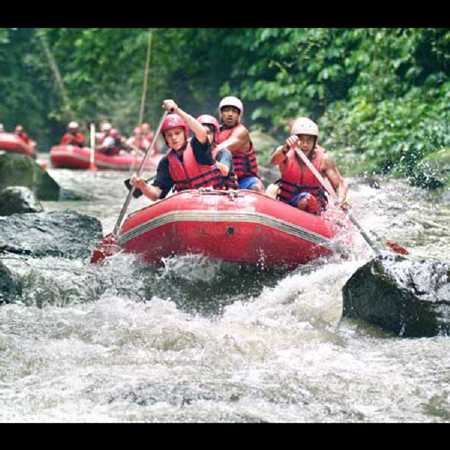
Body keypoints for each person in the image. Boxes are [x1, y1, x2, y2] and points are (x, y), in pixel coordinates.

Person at [130, 99, 237, 201]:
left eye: (177, 133)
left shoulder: (197, 146)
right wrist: (143, 186)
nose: (174, 138)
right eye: (169, 135)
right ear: (165, 139)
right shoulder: (166, 162)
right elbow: (156, 194)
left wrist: (176, 109)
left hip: (213, 197)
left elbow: (201, 132)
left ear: (185, 134)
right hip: (187, 204)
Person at [268, 117, 348, 215]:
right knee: (271, 190)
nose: (305, 145)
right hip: (286, 202)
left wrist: (341, 199)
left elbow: (339, 185)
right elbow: (274, 161)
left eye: (309, 140)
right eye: (301, 140)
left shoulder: (324, 159)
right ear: (294, 139)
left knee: (305, 199)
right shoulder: (285, 152)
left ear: (315, 142)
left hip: (311, 207)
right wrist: (286, 147)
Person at [215, 96, 265, 192]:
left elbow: (223, 148)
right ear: (221, 114)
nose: (230, 114)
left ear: (239, 115)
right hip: (222, 181)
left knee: (256, 187)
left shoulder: (242, 132)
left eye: (234, 111)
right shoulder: (215, 131)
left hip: (244, 180)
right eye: (226, 111)